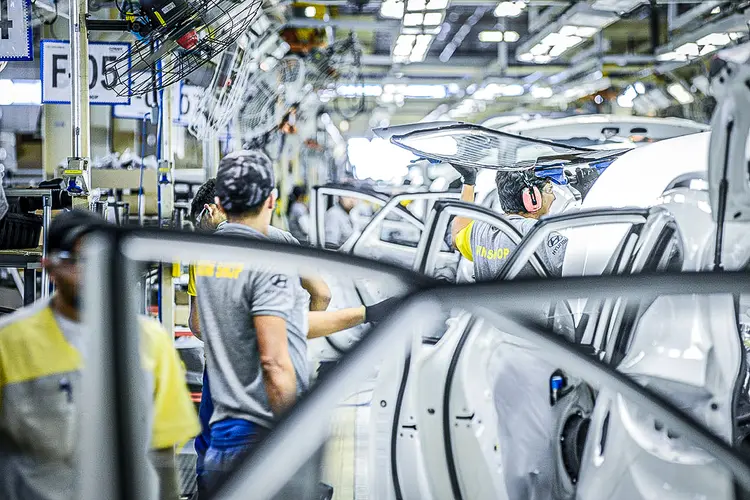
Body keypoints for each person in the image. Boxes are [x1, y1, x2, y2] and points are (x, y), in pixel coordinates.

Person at [192, 152, 394, 494]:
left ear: (221, 202)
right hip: (260, 422)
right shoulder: (274, 254)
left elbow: (204, 324)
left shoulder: (205, 250)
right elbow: (275, 355)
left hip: (223, 403)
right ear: (271, 199)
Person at [0, 209, 200, 500]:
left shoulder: (150, 342)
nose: (88, 272)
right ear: (49, 267)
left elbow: (163, 450)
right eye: (75, 261)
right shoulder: (10, 342)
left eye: (98, 260)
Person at [451, 165, 568, 281]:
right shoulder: (541, 236)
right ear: (532, 198)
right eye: (549, 190)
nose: (553, 197)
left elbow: (456, 237)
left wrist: (469, 182)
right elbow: (582, 263)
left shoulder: (480, 230)